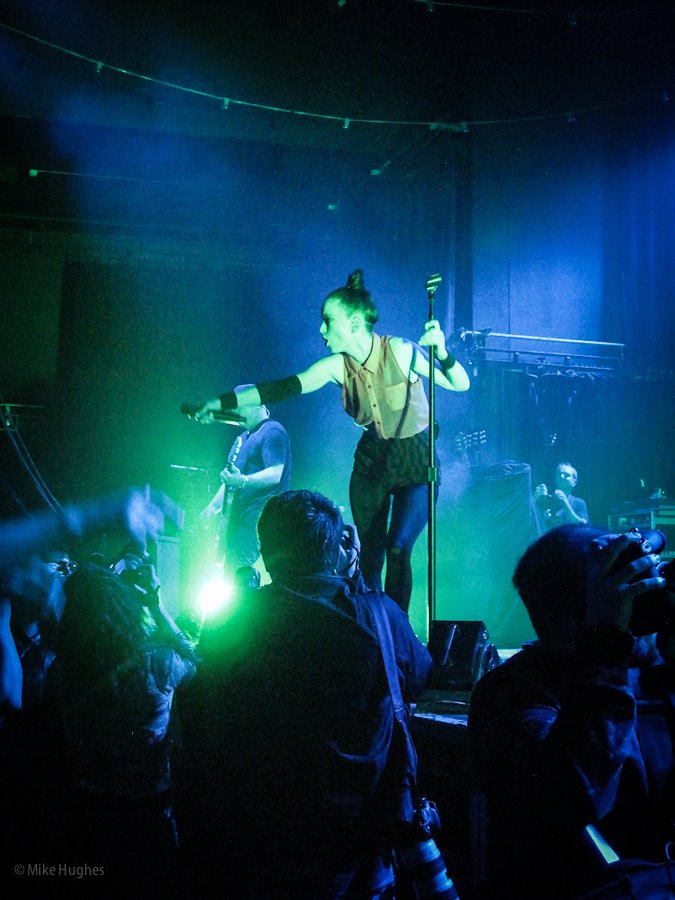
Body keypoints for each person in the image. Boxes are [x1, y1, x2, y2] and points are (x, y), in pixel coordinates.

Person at [177, 489, 434, 898]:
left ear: (265, 553)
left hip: (258, 856)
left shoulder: (233, 621)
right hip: (358, 860)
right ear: (336, 548)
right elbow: (418, 677)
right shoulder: (379, 616)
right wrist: (355, 575)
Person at [192, 269, 470, 613]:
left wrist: (442, 351)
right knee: (370, 554)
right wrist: (219, 403)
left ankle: (395, 627)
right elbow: (283, 387)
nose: (322, 330)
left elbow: (460, 383)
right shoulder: (336, 367)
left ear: (354, 323)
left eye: (328, 321)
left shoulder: (399, 351)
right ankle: (371, 624)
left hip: (415, 459)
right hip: (372, 462)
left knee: (398, 547)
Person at [468, 524, 674, 899]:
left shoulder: (649, 673)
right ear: (561, 620)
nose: (639, 603)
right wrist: (606, 641)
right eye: (616, 591)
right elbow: (573, 797)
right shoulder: (512, 692)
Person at [199, 390, 291, 576]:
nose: (236, 410)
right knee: (229, 572)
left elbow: (275, 473)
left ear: (258, 405)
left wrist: (242, 480)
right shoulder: (241, 438)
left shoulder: (272, 430)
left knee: (240, 570)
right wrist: (212, 508)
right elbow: (231, 480)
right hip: (236, 520)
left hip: (257, 518)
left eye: (240, 404)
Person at [534, 461, 589, 531]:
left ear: (574, 482)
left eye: (566, 475)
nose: (561, 477)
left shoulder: (579, 503)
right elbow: (531, 523)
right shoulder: (547, 500)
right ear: (555, 480)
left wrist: (566, 504)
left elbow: (584, 527)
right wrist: (535, 499)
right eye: (559, 474)